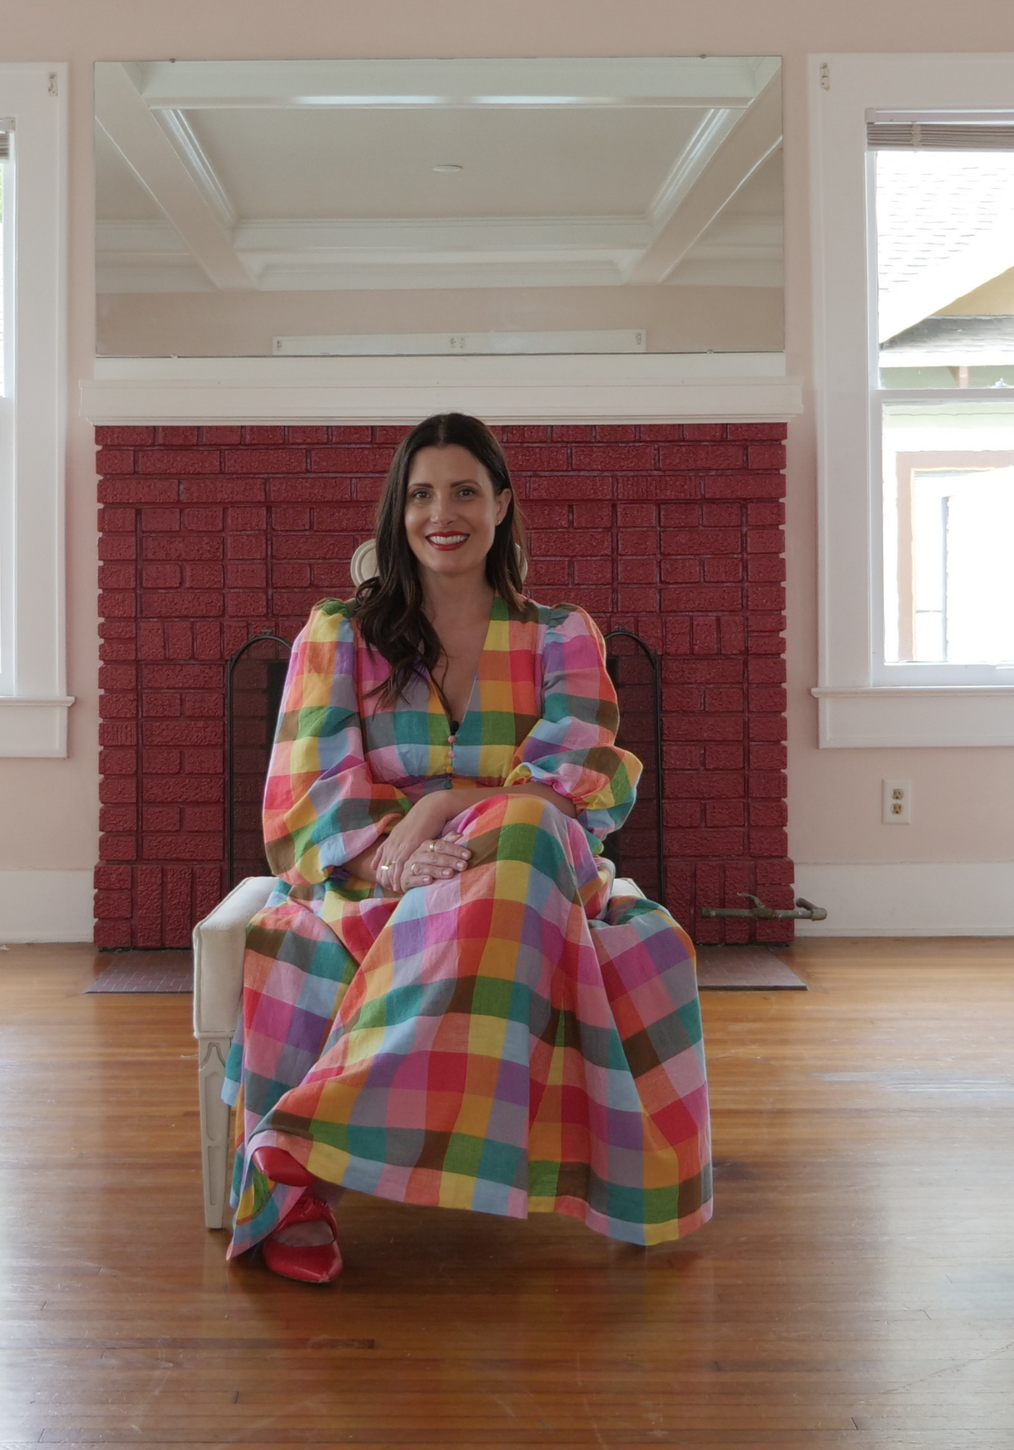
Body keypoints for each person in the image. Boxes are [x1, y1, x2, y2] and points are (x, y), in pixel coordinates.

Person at [221, 412, 712, 1284]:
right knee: (491, 846)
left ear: (501, 506)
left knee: (523, 830)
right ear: (396, 512)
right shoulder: (339, 634)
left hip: (531, 864)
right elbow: (305, 788)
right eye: (420, 494)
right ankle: (325, 1158)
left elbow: (579, 779)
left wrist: (441, 804)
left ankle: (307, 1138)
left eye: (463, 491)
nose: (440, 512)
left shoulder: (563, 634)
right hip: (377, 875)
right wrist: (391, 860)